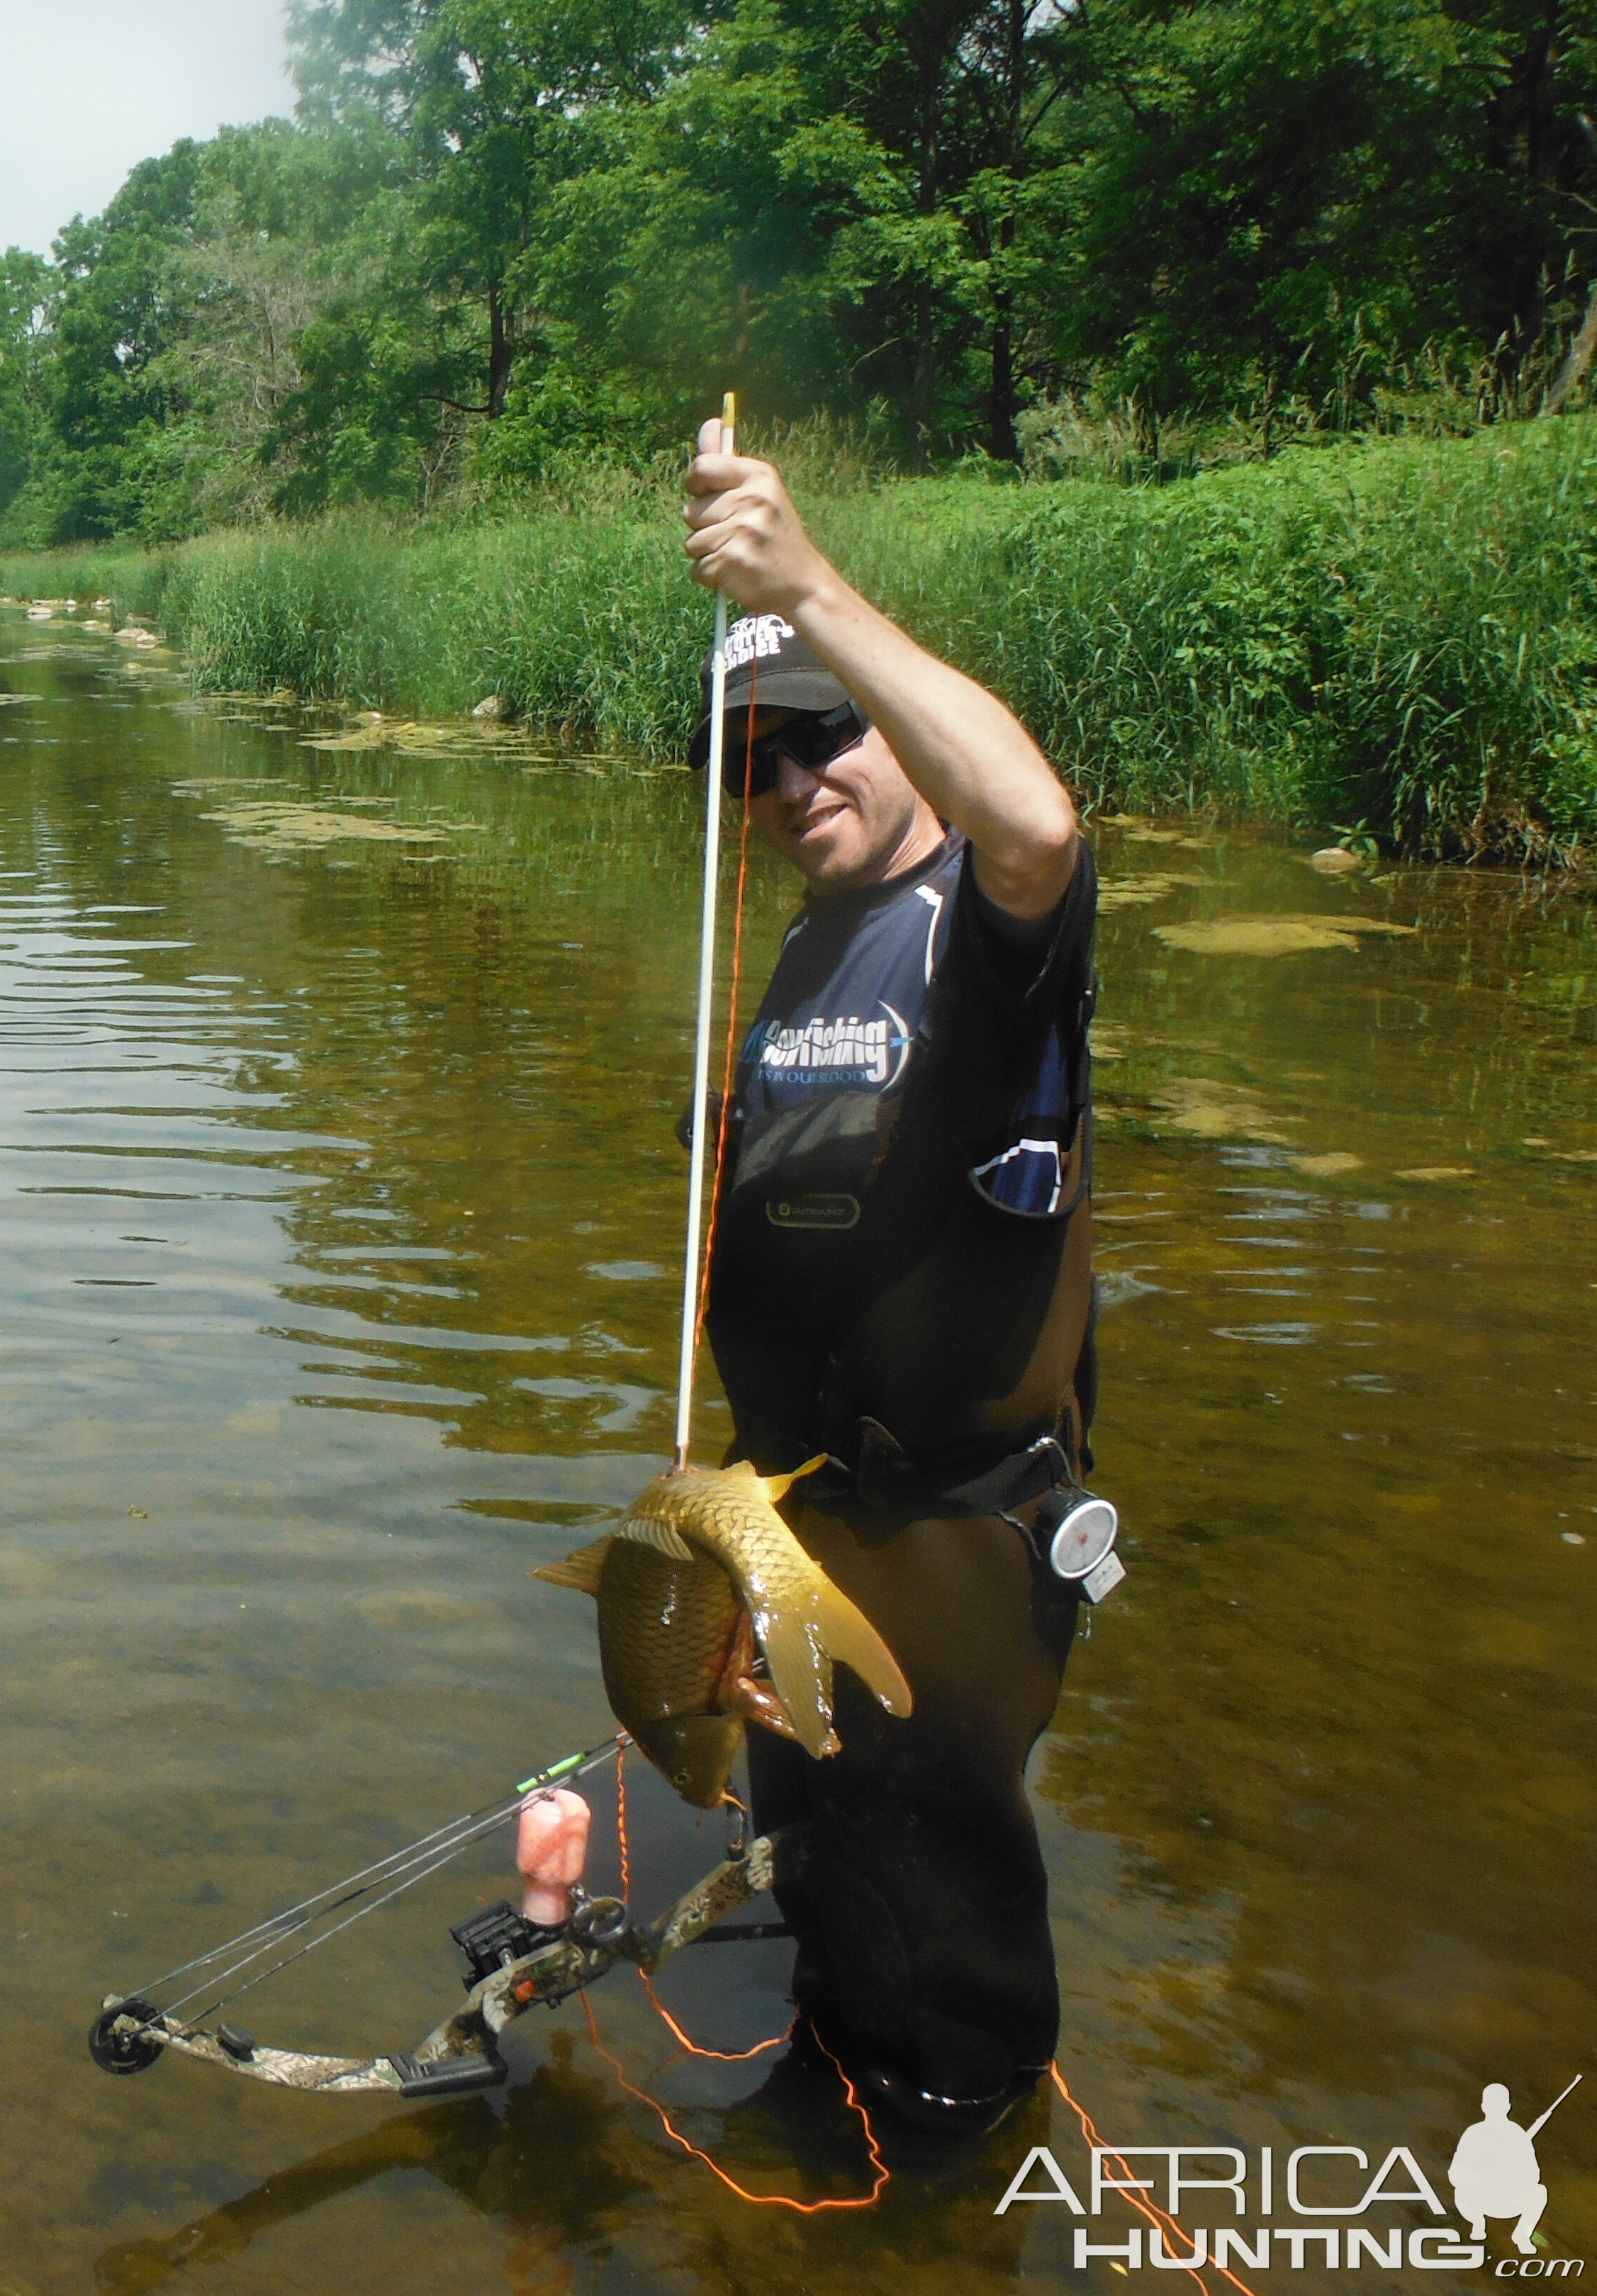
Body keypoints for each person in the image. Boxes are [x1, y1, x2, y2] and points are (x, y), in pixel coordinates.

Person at [676, 418, 1101, 2141]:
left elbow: (1036, 814)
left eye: (823, 739)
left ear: (896, 721)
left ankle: (945, 2176)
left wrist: (807, 590)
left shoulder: (983, 922)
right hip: (801, 1516)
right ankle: (825, 2095)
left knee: (942, 1936)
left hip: (945, 1528)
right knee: (831, 1880)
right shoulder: (805, 927)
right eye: (752, 764)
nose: (787, 787)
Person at [1450, 2084, 1550, 2253]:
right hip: (1479, 2201)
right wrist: (1481, 2176)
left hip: (1509, 2201)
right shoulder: (1473, 2133)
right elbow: (1455, 2174)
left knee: (1540, 2192)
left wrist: (1511, 2174)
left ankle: (1522, 2235)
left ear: (1507, 2107)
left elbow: (1534, 2175)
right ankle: (1477, 2223)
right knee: (1460, 2191)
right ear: (1484, 2107)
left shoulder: (1518, 2135)